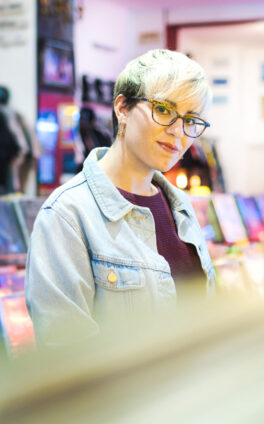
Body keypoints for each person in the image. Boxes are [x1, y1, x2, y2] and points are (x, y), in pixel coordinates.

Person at [25, 49, 215, 346]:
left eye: (191, 119)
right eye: (164, 109)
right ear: (122, 108)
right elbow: (66, 354)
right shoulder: (67, 214)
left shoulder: (180, 205)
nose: (178, 132)